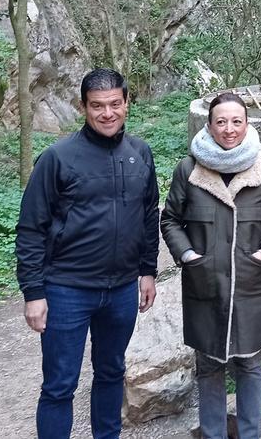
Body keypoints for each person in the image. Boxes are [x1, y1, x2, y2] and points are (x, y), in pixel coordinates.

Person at [15, 67, 160, 439]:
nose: (107, 113)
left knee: (112, 372)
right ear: (83, 107)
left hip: (122, 289)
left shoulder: (140, 153)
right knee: (60, 385)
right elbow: (31, 228)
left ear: (127, 103)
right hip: (67, 288)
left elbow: (148, 215)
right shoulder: (58, 158)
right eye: (97, 106)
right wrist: (34, 293)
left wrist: (147, 271)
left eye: (115, 104)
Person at [161, 92, 261, 439]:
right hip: (205, 284)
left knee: (249, 364)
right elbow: (171, 220)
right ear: (209, 125)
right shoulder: (189, 170)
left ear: (247, 124)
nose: (229, 129)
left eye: (236, 121)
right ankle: (213, 433)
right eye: (221, 121)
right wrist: (188, 256)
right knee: (208, 365)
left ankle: (251, 434)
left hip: (251, 284)